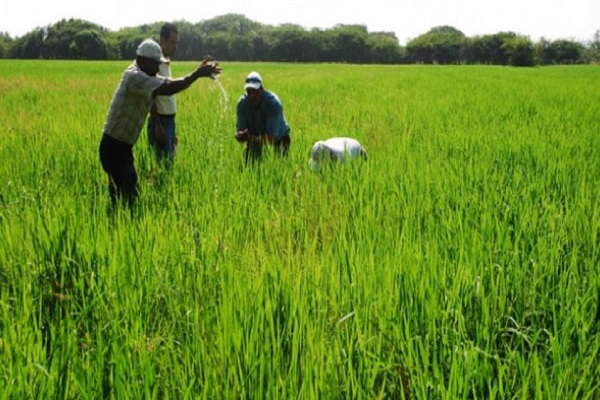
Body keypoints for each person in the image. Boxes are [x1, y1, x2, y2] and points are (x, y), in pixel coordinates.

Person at [99, 38, 221, 208]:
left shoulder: (144, 75)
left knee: (124, 193)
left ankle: (117, 222)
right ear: (143, 60)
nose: (158, 69)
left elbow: (166, 85)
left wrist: (197, 72)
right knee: (128, 195)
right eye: (155, 64)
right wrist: (197, 74)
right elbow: (168, 87)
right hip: (113, 147)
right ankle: (123, 224)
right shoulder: (135, 77)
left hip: (122, 147)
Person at [234, 71, 291, 163]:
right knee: (250, 166)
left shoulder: (273, 104)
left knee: (279, 166)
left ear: (262, 89)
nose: (252, 96)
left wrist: (251, 138)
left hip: (279, 137)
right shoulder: (242, 104)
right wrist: (239, 136)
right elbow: (240, 129)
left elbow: (271, 138)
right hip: (255, 138)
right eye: (249, 92)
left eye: (255, 92)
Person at [147, 23, 180, 163]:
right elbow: (150, 94)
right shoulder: (156, 61)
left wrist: (172, 130)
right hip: (160, 121)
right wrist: (158, 125)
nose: (175, 46)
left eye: (176, 43)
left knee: (167, 165)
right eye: (172, 42)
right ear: (162, 40)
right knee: (164, 166)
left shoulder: (166, 60)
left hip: (168, 121)